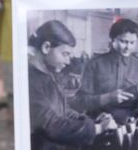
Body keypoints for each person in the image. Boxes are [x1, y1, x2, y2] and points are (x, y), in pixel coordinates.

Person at [28, 19, 116, 149]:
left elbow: (64, 111)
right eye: (65, 54)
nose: (68, 61)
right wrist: (98, 128)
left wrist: (91, 121)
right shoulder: (30, 81)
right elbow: (52, 125)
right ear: (46, 47)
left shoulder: (49, 75)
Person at [73, 18, 138, 124]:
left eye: (132, 42)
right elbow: (79, 102)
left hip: (130, 124)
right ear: (112, 40)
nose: (127, 47)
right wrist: (107, 98)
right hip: (99, 123)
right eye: (123, 41)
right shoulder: (94, 64)